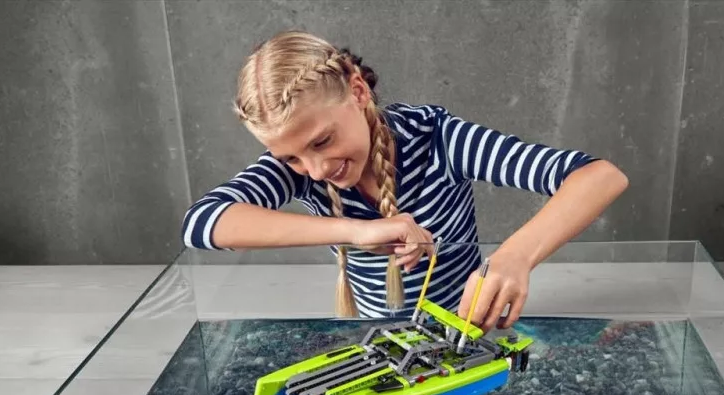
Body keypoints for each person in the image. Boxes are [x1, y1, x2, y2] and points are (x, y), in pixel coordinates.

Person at [181, 30, 628, 330]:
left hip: (465, 330)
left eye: (323, 141)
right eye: (292, 158)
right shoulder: (301, 166)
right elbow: (202, 223)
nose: (316, 170)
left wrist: (515, 257)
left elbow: (599, 177)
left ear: (358, 91)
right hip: (376, 336)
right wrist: (355, 231)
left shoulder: (438, 138)